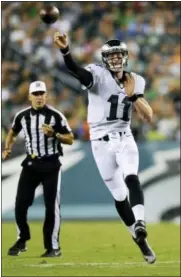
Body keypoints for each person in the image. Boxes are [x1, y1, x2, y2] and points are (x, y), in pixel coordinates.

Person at [53, 32, 156, 264]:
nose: (116, 59)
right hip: (100, 143)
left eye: (119, 55)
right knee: (119, 197)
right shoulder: (97, 74)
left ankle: (141, 222)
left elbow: (148, 115)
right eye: (111, 55)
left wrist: (135, 96)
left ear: (126, 57)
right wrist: (66, 51)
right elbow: (75, 71)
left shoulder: (135, 80)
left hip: (124, 136)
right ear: (104, 59)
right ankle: (140, 240)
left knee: (132, 177)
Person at [2, 80, 74, 257]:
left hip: (51, 164)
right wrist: (7, 147)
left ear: (46, 96)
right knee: (20, 204)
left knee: (51, 207)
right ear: (30, 97)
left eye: (42, 93)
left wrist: (55, 134)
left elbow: (70, 138)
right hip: (31, 164)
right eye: (36, 94)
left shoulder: (56, 116)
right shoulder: (22, 116)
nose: (39, 97)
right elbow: (12, 132)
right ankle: (22, 239)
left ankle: (53, 247)